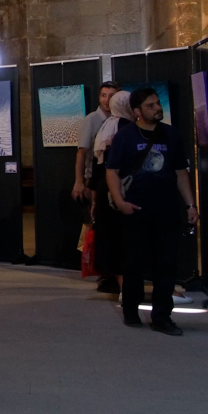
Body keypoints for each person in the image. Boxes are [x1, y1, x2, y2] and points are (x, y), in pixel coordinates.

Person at [106, 87, 198, 336]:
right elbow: (112, 171)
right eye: (150, 105)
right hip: (135, 210)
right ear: (137, 112)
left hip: (167, 210)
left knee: (166, 264)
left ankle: (162, 316)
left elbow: (180, 172)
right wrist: (120, 202)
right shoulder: (125, 137)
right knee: (134, 263)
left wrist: (190, 204)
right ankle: (131, 310)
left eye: (158, 104)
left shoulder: (170, 135)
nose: (157, 108)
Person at [75, 82, 119, 292]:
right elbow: (82, 153)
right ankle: (103, 273)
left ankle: (111, 272)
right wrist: (79, 181)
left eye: (111, 95)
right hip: (96, 181)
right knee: (96, 227)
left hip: (112, 182)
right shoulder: (92, 120)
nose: (106, 99)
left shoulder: (120, 121)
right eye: (103, 95)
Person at [89, 90, 134, 297]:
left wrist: (95, 197)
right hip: (127, 188)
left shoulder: (106, 129)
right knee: (126, 237)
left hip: (105, 190)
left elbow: (97, 166)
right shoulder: (130, 130)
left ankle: (121, 283)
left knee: (113, 238)